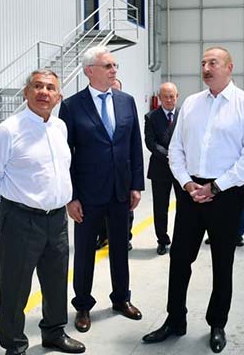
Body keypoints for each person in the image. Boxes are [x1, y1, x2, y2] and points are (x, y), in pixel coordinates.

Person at [142, 47, 244, 353]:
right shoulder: (192, 104)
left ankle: (217, 323)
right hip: (191, 193)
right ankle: (175, 320)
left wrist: (216, 187)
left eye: (213, 63)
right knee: (179, 259)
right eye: (203, 63)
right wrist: (186, 182)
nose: (206, 68)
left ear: (229, 67)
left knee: (222, 262)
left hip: (226, 194)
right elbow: (176, 150)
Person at [0, 69, 85, 355]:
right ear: (26, 93)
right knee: (15, 286)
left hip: (57, 219)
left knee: (56, 281)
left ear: (58, 97)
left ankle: (54, 332)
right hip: (20, 219)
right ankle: (14, 345)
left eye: (50, 88)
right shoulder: (8, 131)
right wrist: (12, 208)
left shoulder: (59, 127)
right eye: (37, 86)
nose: (44, 92)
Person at [59, 46, 144, 333]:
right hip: (87, 194)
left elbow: (134, 144)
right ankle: (82, 305)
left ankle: (121, 299)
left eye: (115, 65)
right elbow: (65, 155)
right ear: (89, 71)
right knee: (84, 253)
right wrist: (71, 196)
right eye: (108, 66)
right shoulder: (72, 106)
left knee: (120, 248)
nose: (114, 70)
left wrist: (136, 185)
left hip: (120, 191)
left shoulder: (126, 101)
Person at [95, 78, 135, 252]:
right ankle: (103, 237)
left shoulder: (126, 106)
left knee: (126, 212)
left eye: (116, 90)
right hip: (100, 174)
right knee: (101, 211)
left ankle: (126, 237)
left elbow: (133, 143)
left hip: (122, 173)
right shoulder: (96, 109)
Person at [144, 82, 181, 255]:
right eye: (165, 97)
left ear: (177, 96)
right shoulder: (151, 117)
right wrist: (169, 156)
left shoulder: (184, 115)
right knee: (160, 208)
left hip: (181, 169)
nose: (169, 100)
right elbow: (150, 142)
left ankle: (181, 240)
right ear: (159, 98)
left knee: (184, 207)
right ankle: (162, 240)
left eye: (171, 96)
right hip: (160, 168)